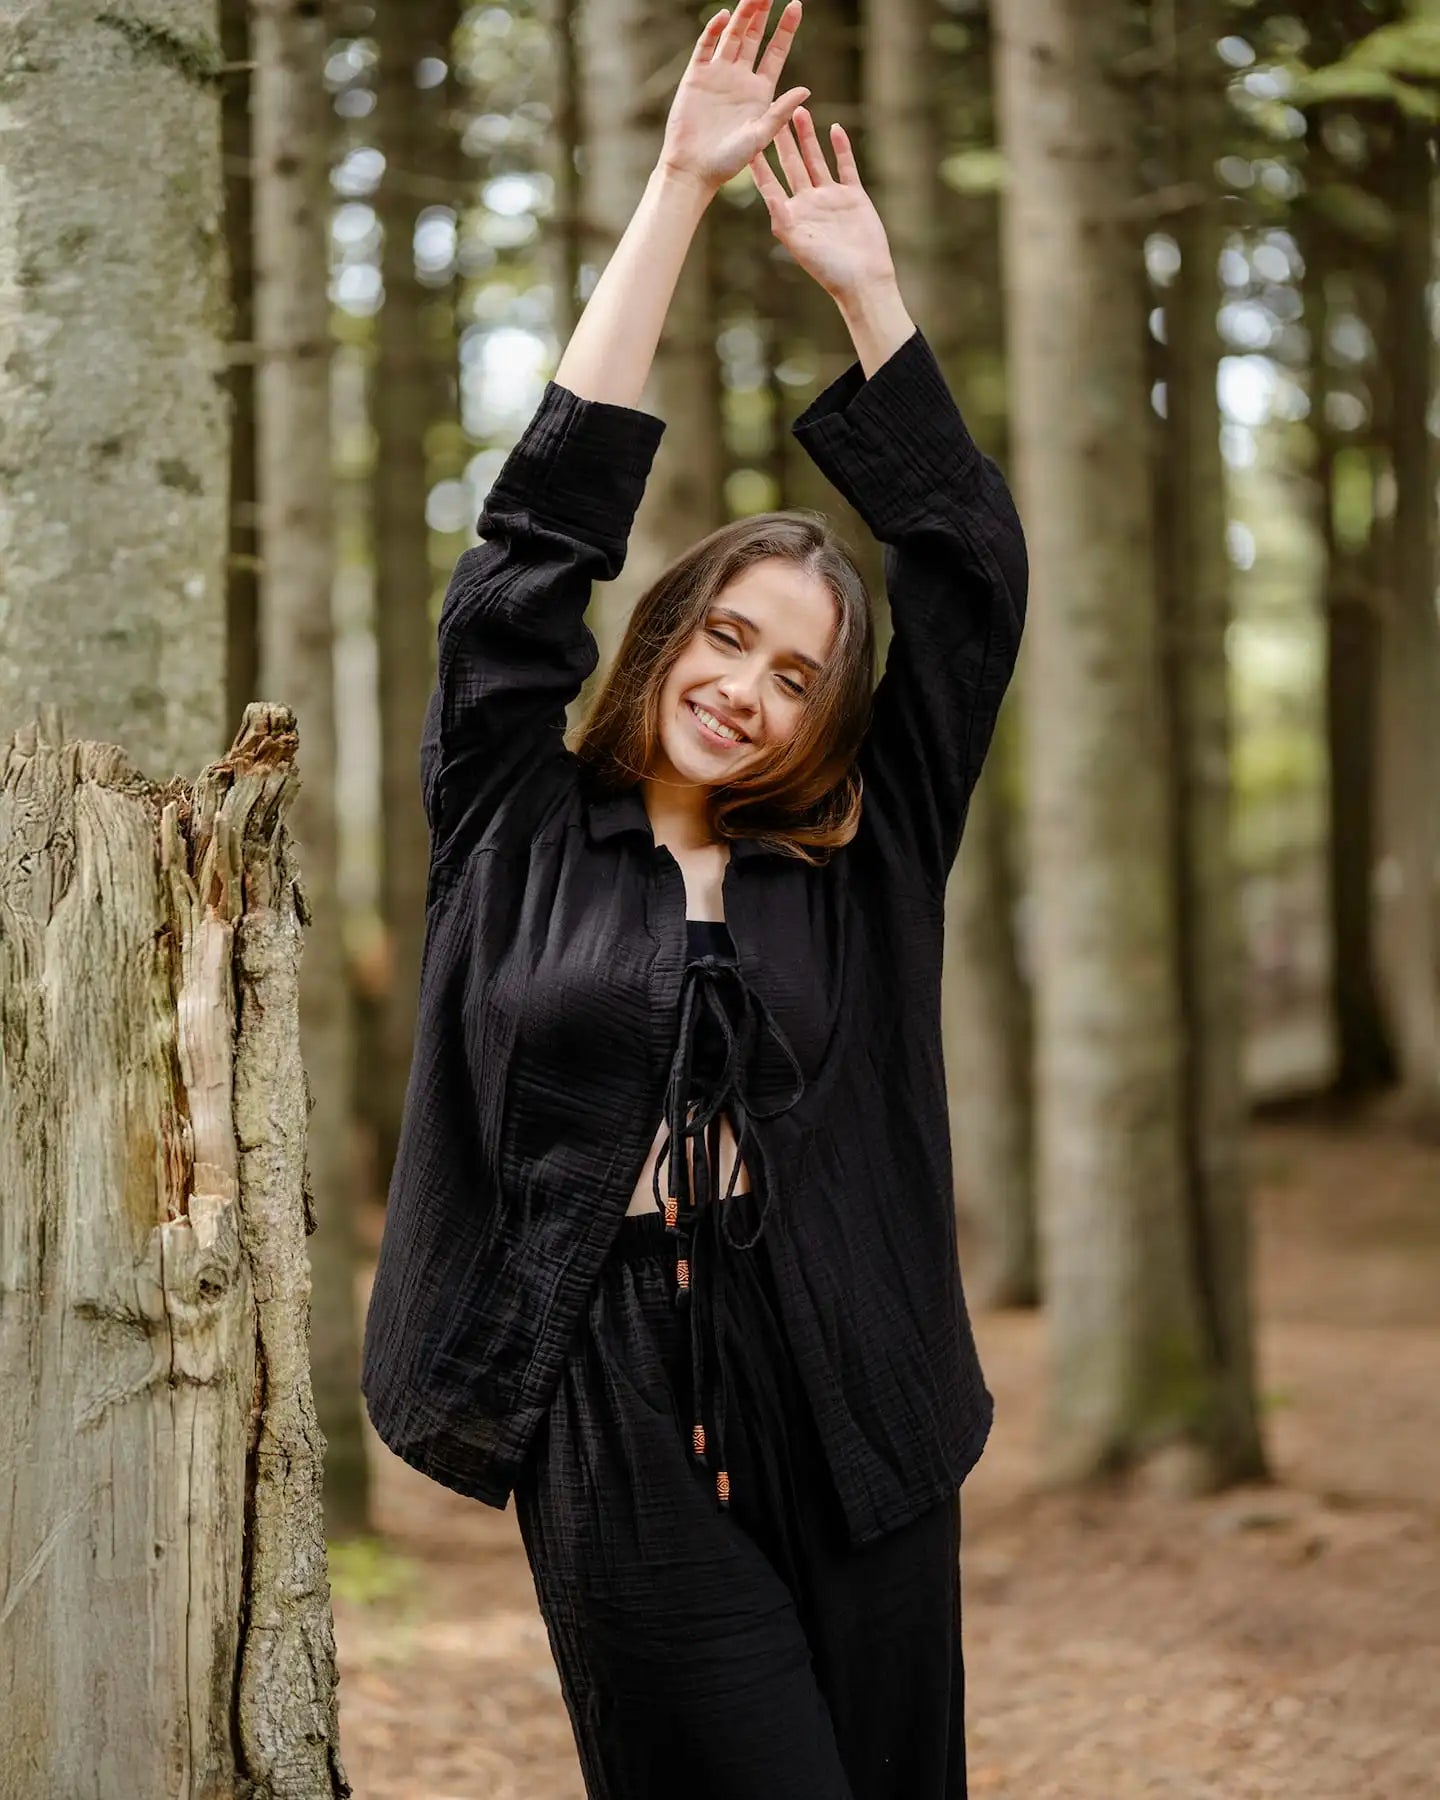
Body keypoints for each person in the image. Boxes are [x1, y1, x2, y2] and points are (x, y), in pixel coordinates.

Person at [360, 2, 1028, 1794]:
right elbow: (528, 555)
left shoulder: (862, 854)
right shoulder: (514, 819)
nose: (748, 685)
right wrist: (674, 189)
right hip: (604, 1378)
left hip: (852, 1379)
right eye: (726, 633)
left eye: (800, 674)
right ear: (667, 636)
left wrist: (868, 296)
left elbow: (970, 578)